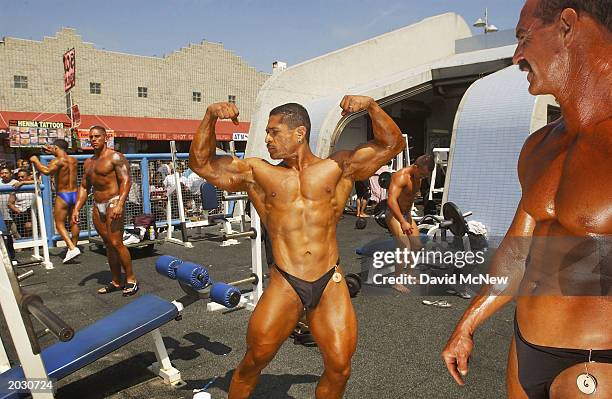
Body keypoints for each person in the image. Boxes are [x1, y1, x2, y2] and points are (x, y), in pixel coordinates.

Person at [441, 1, 612, 398]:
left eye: (523, 37)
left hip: (596, 358)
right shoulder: (539, 146)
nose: (516, 55)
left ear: (567, 26)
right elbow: (518, 255)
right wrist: (467, 323)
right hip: (526, 350)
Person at [190, 95, 404, 399]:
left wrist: (371, 107)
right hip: (286, 282)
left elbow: (391, 145)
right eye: (267, 132)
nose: (267, 139)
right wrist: (211, 116)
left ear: (299, 133)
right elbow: (202, 164)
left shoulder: (338, 166)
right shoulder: (258, 172)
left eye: (274, 132)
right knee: (254, 361)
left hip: (329, 279)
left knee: (340, 367)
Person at [72, 126, 138, 296]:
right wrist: (77, 208)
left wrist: (120, 204)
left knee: (116, 243)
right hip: (97, 204)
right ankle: (116, 281)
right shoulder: (88, 162)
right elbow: (84, 187)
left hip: (113, 201)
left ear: (105, 138)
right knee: (108, 245)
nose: (93, 139)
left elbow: (126, 181)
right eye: (91, 137)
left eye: (97, 136)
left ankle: (131, 279)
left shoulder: (115, 157)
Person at [385, 155, 434, 294]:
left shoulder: (418, 176)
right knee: (405, 246)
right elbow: (391, 200)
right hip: (394, 214)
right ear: (416, 167)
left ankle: (409, 274)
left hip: (406, 214)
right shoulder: (401, 176)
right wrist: (402, 221)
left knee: (417, 245)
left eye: (426, 175)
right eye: (422, 174)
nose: (423, 177)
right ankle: (397, 281)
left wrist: (407, 218)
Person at [30, 140, 81, 263]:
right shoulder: (73, 160)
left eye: (53, 148)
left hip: (63, 195)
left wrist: (35, 161)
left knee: (59, 223)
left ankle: (72, 248)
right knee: (74, 221)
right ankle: (72, 248)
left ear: (56, 147)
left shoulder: (57, 161)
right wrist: (53, 152)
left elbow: (47, 171)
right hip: (75, 194)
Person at [7, 169, 35, 237]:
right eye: (19, 177)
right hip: (21, 214)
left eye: (22, 177)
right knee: (26, 229)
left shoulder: (34, 185)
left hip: (33, 212)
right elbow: (10, 203)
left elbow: (39, 182)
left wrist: (24, 183)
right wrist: (18, 211)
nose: (20, 178)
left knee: (30, 226)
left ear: (28, 177)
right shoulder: (15, 187)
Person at [0, 167, 19, 239]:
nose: (4, 175)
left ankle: (22, 247)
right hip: (1, 212)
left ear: (10, 174)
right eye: (2, 173)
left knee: (14, 231)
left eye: (6, 173)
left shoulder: (16, 182)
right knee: (4, 233)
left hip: (11, 211)